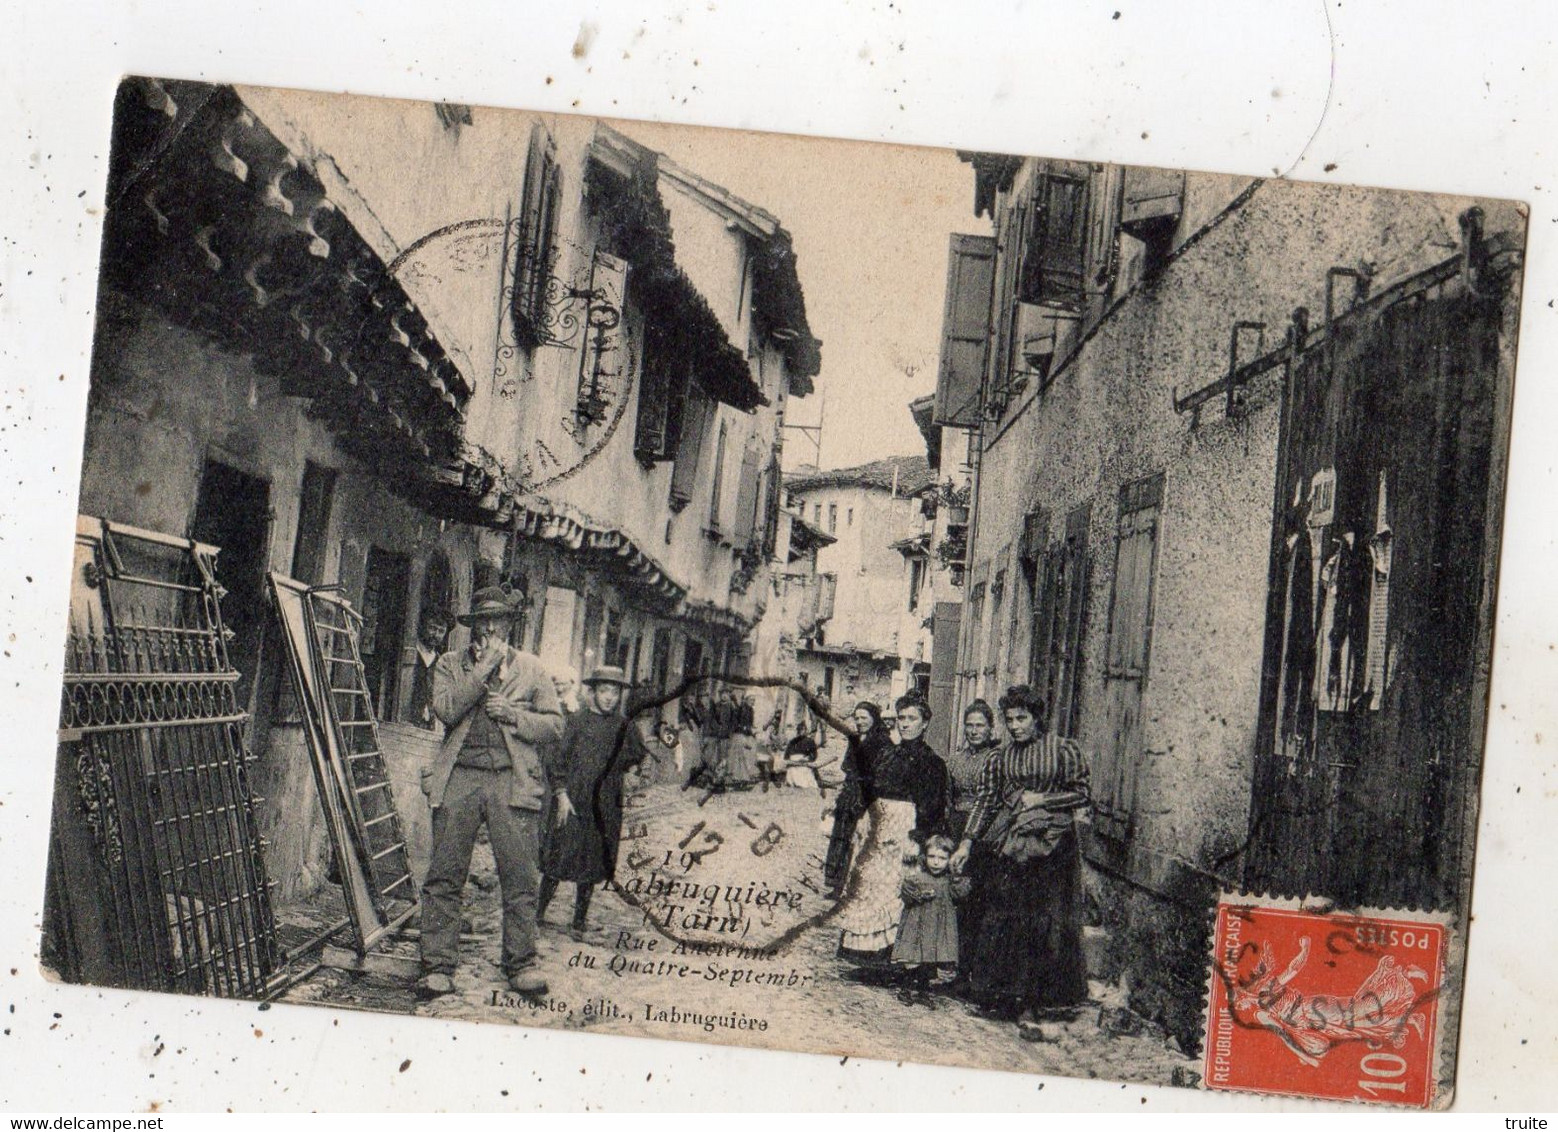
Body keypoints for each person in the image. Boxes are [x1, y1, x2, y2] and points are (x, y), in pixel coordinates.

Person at [417, 588, 564, 999]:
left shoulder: (532, 669)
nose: (492, 628)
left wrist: (513, 715)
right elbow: (445, 710)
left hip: (511, 781)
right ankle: (437, 965)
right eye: (484, 621)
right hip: (459, 777)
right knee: (444, 875)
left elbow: (554, 726)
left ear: (510, 625)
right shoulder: (450, 664)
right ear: (474, 626)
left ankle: (520, 963)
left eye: (499, 621)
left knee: (519, 877)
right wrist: (482, 671)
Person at [951, 685, 1091, 1036]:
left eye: (1022, 718)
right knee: (1007, 916)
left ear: (1037, 718)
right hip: (1015, 844)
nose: (1014, 726)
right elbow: (986, 800)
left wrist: (1043, 799)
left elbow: (1083, 794)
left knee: (1045, 921)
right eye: (1009, 719)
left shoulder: (1062, 750)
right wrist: (967, 842)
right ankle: (1006, 999)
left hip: (1053, 847)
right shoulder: (1002, 756)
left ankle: (1041, 1004)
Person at [539, 666, 652, 940]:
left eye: (614, 693)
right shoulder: (577, 721)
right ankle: (537, 913)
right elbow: (557, 760)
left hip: (604, 805)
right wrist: (561, 794)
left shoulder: (624, 726)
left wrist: (626, 770)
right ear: (593, 692)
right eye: (604, 691)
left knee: (592, 860)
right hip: (574, 801)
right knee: (559, 855)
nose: (609, 698)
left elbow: (637, 754)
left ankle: (579, 920)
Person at [834, 692, 948, 965]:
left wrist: (917, 838)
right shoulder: (887, 754)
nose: (905, 724)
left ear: (925, 723)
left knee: (896, 890)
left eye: (912, 718)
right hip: (878, 827)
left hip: (905, 830)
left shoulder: (931, 762)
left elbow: (931, 806)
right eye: (901, 718)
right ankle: (867, 955)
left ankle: (893, 959)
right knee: (870, 884)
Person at [822, 701, 893, 897]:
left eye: (864, 718)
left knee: (861, 840)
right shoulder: (855, 738)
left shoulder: (882, 741)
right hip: (849, 793)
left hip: (867, 795)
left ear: (874, 718)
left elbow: (881, 773)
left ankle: (857, 888)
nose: (860, 721)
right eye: (857, 718)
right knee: (842, 838)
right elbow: (847, 768)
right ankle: (837, 886)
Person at [892, 834, 970, 1005]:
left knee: (930, 961)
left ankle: (923, 991)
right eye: (932, 856)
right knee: (913, 959)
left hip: (937, 928)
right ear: (924, 857)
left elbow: (961, 894)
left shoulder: (949, 881)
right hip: (918, 926)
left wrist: (957, 876)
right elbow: (906, 894)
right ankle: (905, 988)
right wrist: (919, 895)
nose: (936, 862)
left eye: (942, 858)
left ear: (950, 860)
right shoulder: (917, 878)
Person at [944, 700, 1000, 841]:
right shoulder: (954, 760)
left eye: (980, 726)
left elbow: (990, 802)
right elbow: (947, 796)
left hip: (985, 827)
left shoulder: (996, 758)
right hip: (955, 825)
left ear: (991, 728)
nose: (974, 731)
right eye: (969, 726)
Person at [408, 608, 450, 730]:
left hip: (428, 724)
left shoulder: (441, 662)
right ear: (422, 626)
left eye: (441, 631)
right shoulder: (410, 654)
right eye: (432, 628)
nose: (436, 634)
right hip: (406, 720)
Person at [783, 721, 821, 789]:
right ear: (797, 731)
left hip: (804, 763)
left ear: (806, 730)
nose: (801, 731)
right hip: (793, 763)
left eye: (803, 729)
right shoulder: (792, 742)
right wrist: (792, 760)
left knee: (805, 771)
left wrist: (807, 759)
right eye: (800, 729)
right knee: (792, 770)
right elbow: (786, 756)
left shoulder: (810, 741)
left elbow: (814, 755)